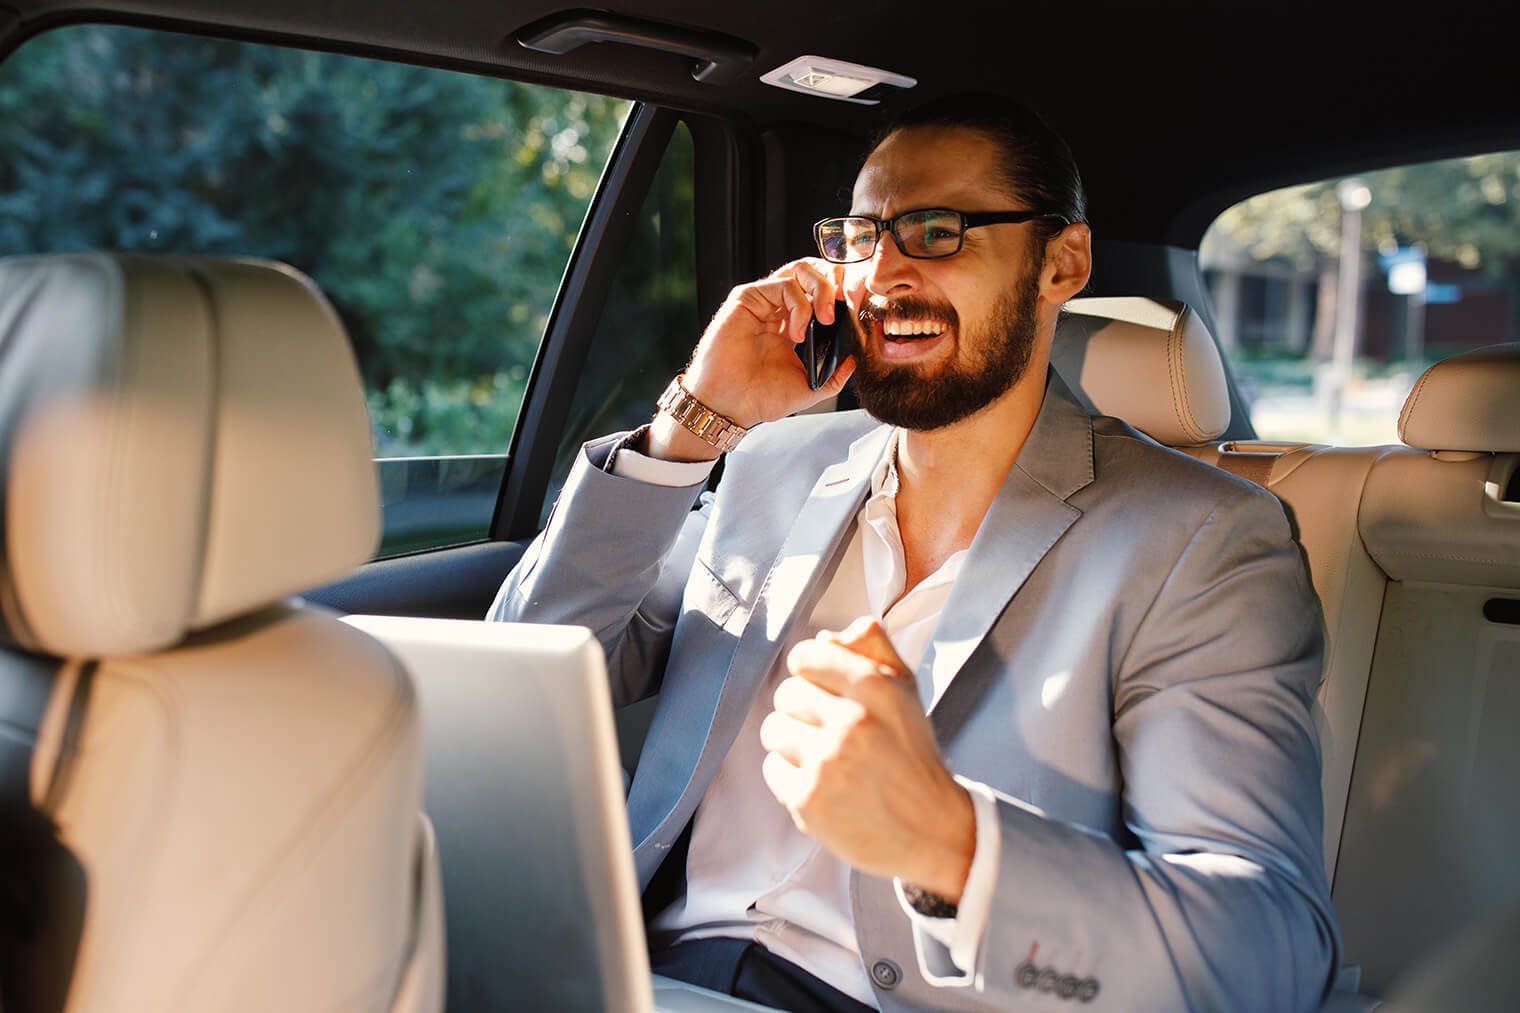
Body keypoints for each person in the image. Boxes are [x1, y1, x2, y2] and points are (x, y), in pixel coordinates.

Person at [488, 92, 1341, 1011]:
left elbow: (1265, 955)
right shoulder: (769, 461)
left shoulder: (1201, 540)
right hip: (631, 971)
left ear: (1063, 263)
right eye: (861, 236)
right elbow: (522, 677)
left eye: (937, 232)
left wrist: (948, 841)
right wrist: (691, 427)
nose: (882, 274)